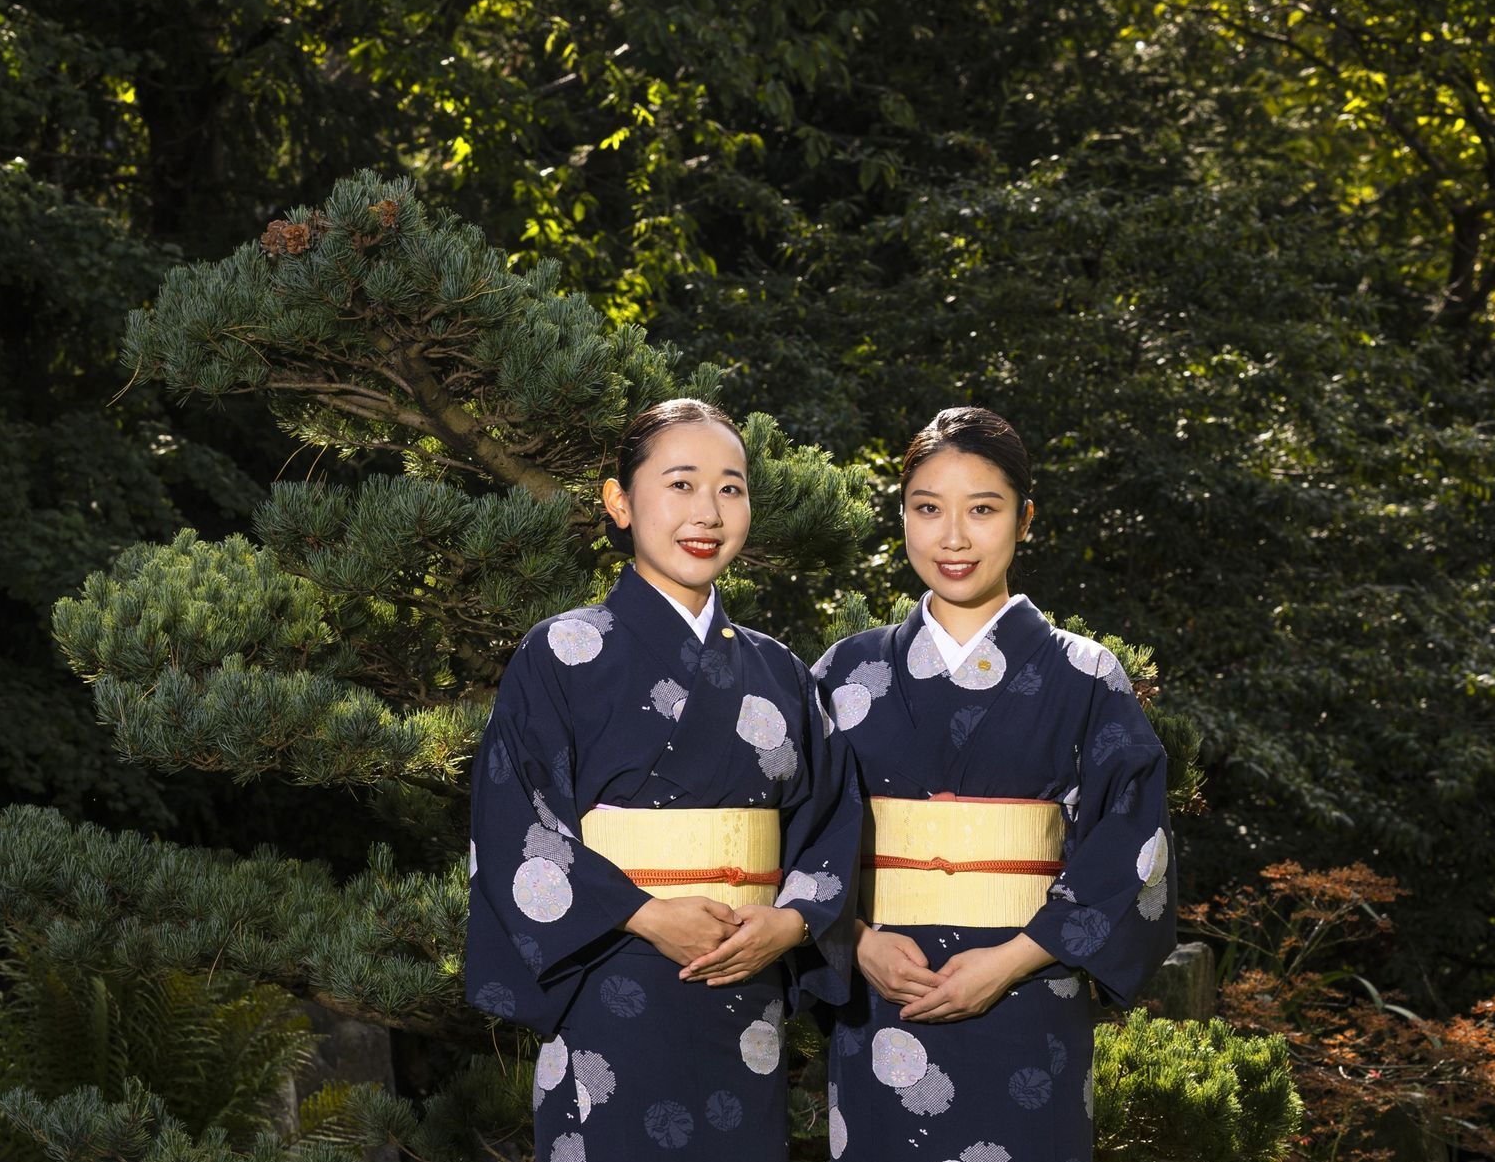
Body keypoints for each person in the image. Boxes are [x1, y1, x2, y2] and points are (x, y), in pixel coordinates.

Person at [465, 398, 860, 1162]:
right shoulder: (561, 652)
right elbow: (516, 819)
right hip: (611, 970)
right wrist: (644, 913)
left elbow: (833, 819)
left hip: (746, 983)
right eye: (680, 483)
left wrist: (790, 923)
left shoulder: (778, 669)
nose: (707, 511)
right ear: (619, 500)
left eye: (731, 487)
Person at [815, 406, 1175, 1162]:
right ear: (903, 515)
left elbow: (1131, 845)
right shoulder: (845, 673)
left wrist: (1014, 958)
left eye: (982, 509)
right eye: (927, 508)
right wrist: (854, 937)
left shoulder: (1085, 675)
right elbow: (797, 835)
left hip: (1029, 996)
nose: (953, 537)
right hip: (882, 992)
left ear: (1024, 518)